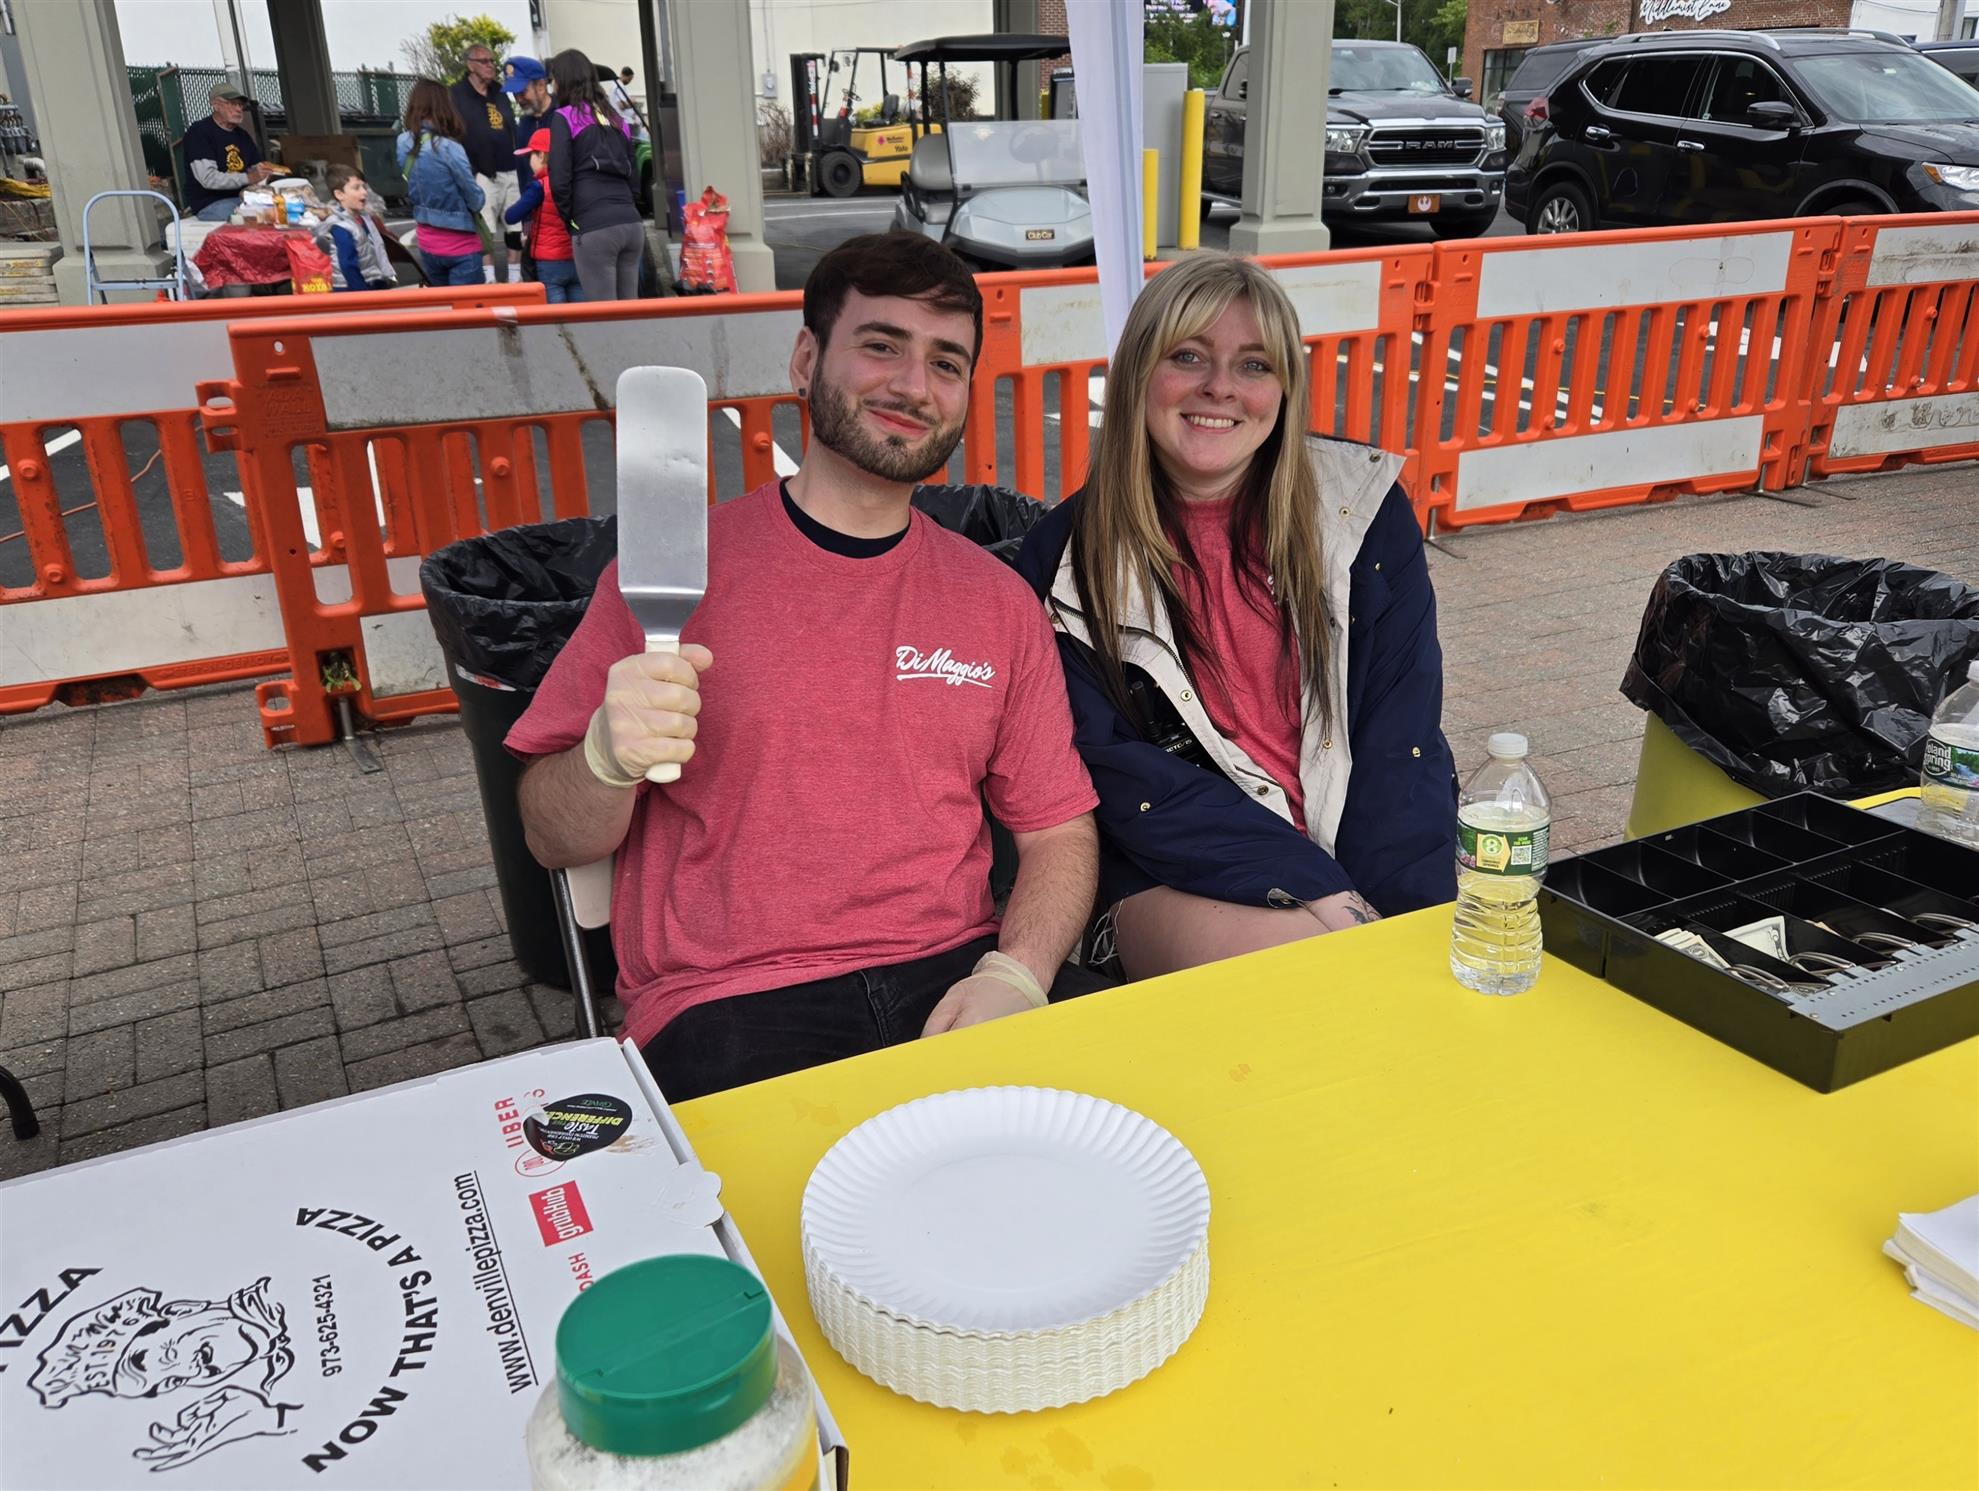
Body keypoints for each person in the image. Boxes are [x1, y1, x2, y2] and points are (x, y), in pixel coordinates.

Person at [507, 232, 1102, 1102]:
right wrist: (604, 759)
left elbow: (1056, 831)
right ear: (804, 359)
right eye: (881, 345)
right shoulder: (670, 576)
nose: (913, 385)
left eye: (945, 363)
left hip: (951, 977)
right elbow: (550, 837)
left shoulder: (995, 601)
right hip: (728, 1002)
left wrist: (1018, 971)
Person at [1014, 252, 1457, 981]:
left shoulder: (1362, 510)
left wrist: (1409, 914)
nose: (1219, 387)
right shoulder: (1064, 558)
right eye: (1187, 356)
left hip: (1349, 854)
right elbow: (1123, 776)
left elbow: (1400, 735)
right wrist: (1318, 889)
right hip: (1168, 866)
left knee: (1416, 977)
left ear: (1284, 389)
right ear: (1137, 374)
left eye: (1254, 364)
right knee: (1315, 975)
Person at [545, 48, 644, 303]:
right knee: (631, 312)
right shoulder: (617, 119)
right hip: (631, 222)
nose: (553, 85)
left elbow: (559, 179)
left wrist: (572, 222)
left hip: (593, 225)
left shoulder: (564, 117)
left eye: (554, 79)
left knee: (604, 316)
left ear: (564, 80)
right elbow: (634, 176)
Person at [397, 80, 485, 287]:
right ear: (444, 106)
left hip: (427, 242)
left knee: (442, 303)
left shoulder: (402, 142)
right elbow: (475, 200)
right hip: (461, 244)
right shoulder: (449, 147)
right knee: (467, 306)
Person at [450, 41, 520, 282]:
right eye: (484, 61)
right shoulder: (457, 95)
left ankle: (515, 276)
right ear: (470, 65)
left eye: (492, 61)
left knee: (514, 226)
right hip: (481, 171)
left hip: (510, 167)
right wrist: (470, 171)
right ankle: (489, 277)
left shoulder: (500, 92)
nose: (490, 65)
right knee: (485, 228)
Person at [182, 82, 277, 221]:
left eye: (240, 105)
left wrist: (264, 173)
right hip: (211, 203)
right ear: (215, 105)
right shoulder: (199, 132)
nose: (238, 109)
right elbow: (208, 178)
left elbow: (255, 168)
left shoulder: (243, 136)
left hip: (244, 198)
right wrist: (249, 178)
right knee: (253, 218)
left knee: (281, 209)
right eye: (232, 104)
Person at [505, 128, 580, 302]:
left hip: (549, 261)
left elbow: (511, 216)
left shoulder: (539, 187)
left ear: (541, 156)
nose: (528, 162)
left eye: (530, 156)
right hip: (577, 258)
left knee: (556, 315)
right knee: (579, 313)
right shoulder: (576, 182)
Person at [315, 166, 395, 293]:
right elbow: (348, 265)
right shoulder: (340, 226)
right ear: (339, 194)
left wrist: (386, 276)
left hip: (372, 280)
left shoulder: (365, 218)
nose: (364, 192)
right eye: (356, 188)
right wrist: (362, 294)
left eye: (364, 187)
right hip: (352, 289)